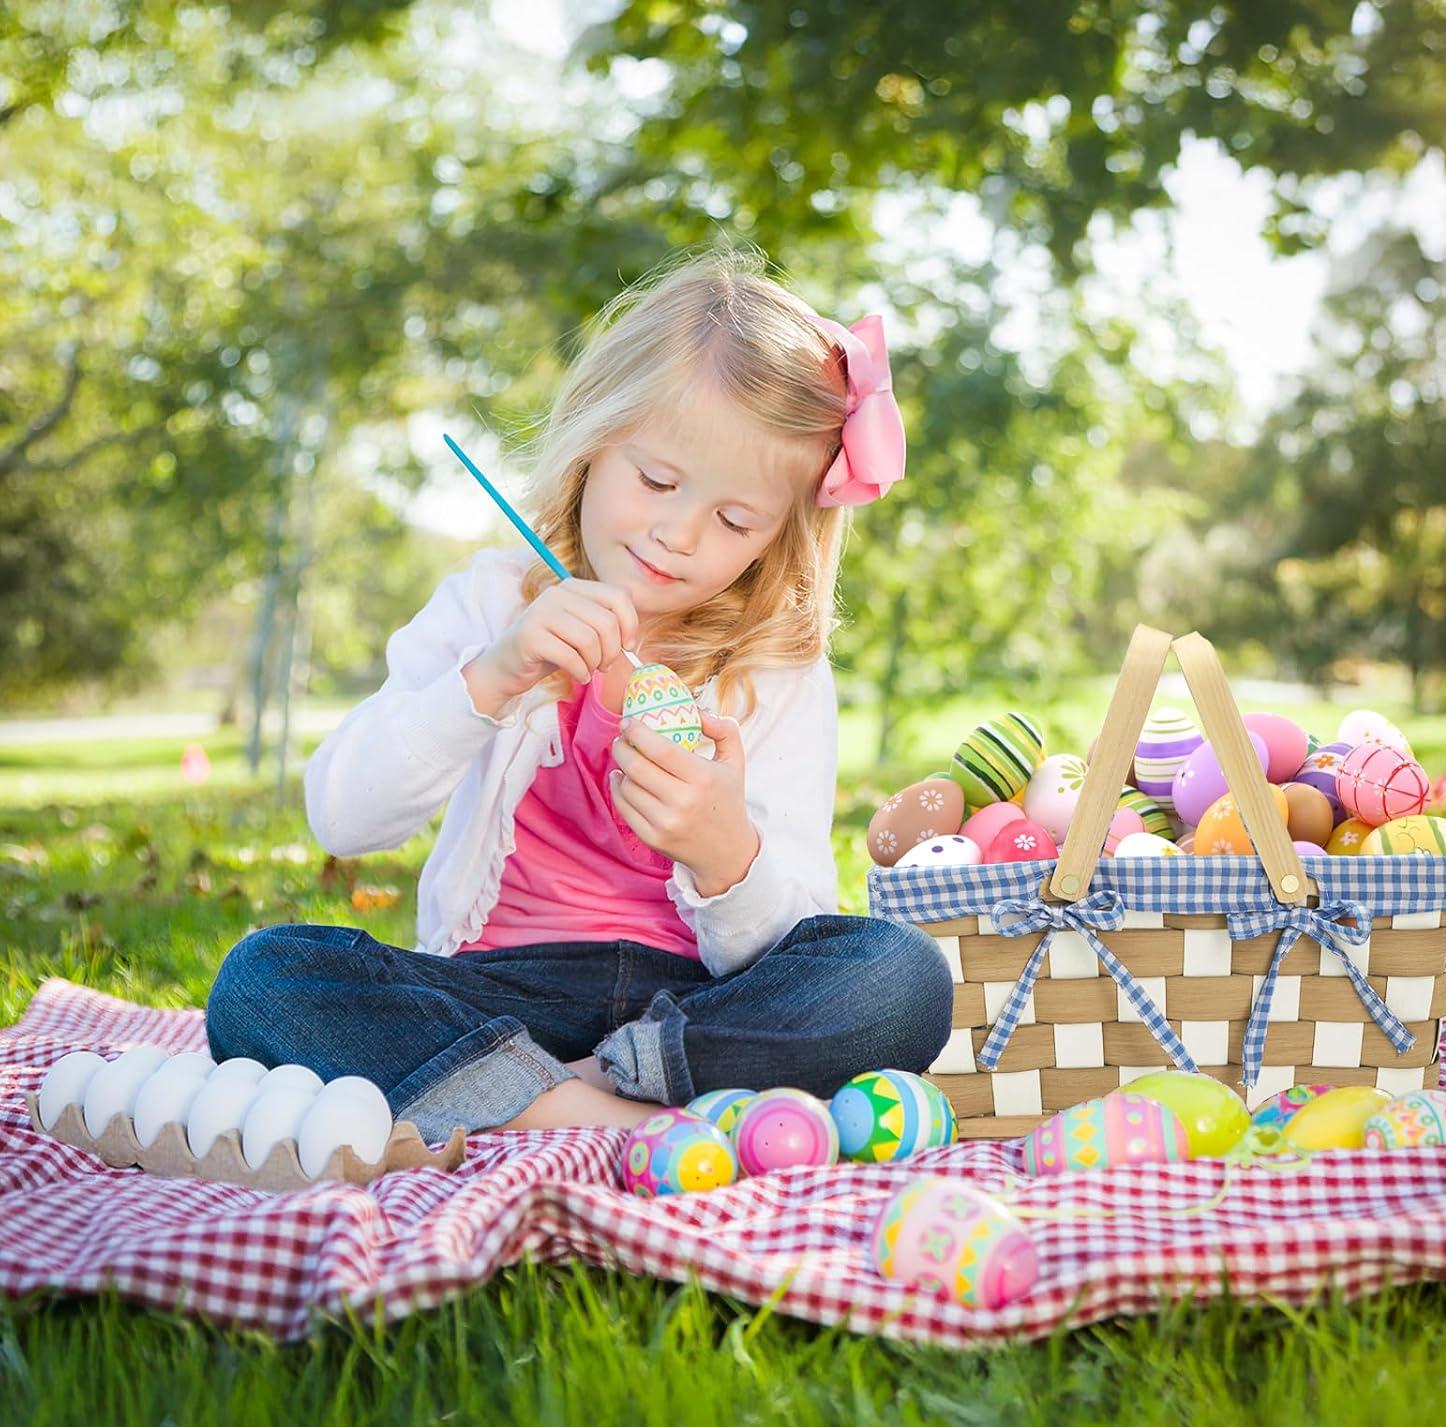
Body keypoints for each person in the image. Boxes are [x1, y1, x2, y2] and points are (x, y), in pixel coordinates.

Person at [205, 245, 955, 1137]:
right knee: (264, 979)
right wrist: (492, 677)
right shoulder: (491, 604)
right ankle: (607, 1113)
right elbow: (344, 818)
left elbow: (791, 938)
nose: (678, 534)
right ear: (594, 440)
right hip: (496, 993)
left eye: (733, 519)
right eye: (658, 481)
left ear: (777, 535)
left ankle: (551, 1091)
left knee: (901, 977)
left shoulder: (777, 666)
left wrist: (725, 853)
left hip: (694, 1009)